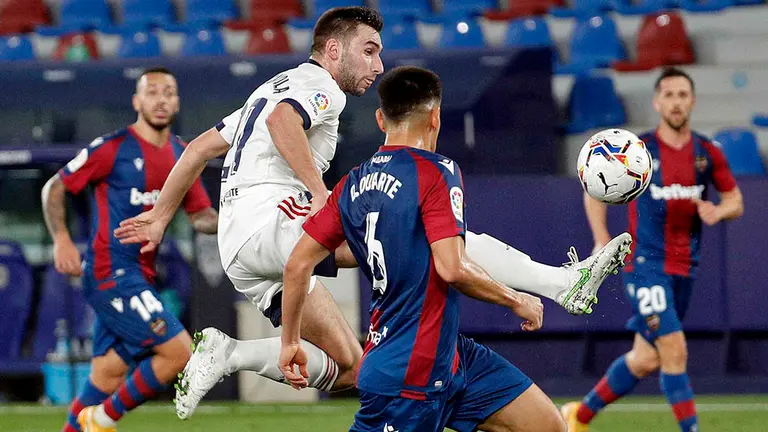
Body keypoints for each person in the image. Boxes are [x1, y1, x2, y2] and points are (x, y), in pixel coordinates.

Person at [114, 6, 631, 420]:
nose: (378, 65)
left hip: (241, 248)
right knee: (429, 238)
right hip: (272, 221)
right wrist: (322, 198)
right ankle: (560, 283)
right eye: (369, 50)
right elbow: (281, 125)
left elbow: (199, 147)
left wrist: (162, 216)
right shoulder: (318, 87)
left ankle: (228, 354)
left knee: (352, 367)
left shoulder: (270, 86)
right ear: (333, 49)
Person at [279, 66, 566, 432]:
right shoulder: (437, 171)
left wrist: (290, 341)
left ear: (381, 119)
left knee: (546, 426)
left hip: (450, 355)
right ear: (436, 117)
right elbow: (453, 268)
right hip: (406, 375)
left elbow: (296, 265)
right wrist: (516, 299)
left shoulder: (351, 184)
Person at [561, 67, 744, 432]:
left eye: (682, 95)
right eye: (669, 95)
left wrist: (718, 209)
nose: (676, 102)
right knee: (674, 349)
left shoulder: (707, 153)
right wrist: (600, 239)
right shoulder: (639, 152)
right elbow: (594, 188)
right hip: (643, 264)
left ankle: (578, 417)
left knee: (645, 359)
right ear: (658, 103)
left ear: (691, 101)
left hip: (685, 267)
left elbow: (735, 200)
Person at [41, 67, 218, 432]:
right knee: (180, 353)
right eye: (152, 92)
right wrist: (61, 238)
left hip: (141, 276)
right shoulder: (113, 148)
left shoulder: (183, 155)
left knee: (107, 375)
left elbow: (200, 216)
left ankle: (81, 424)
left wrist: (237, 217)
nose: (161, 99)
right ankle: (102, 420)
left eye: (168, 92)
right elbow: (54, 188)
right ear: (136, 101)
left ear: (177, 102)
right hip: (111, 271)